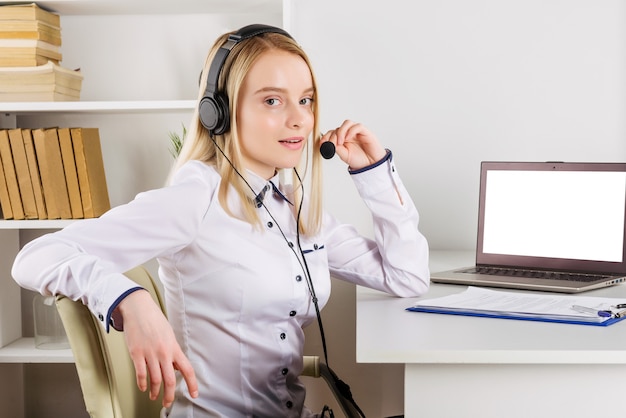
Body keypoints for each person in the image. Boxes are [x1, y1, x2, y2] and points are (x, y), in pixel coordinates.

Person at [12, 24, 430, 417]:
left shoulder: (293, 208)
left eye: (305, 100)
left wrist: (373, 174)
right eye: (272, 100)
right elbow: (37, 255)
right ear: (220, 113)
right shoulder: (197, 199)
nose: (299, 118)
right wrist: (129, 299)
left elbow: (407, 277)